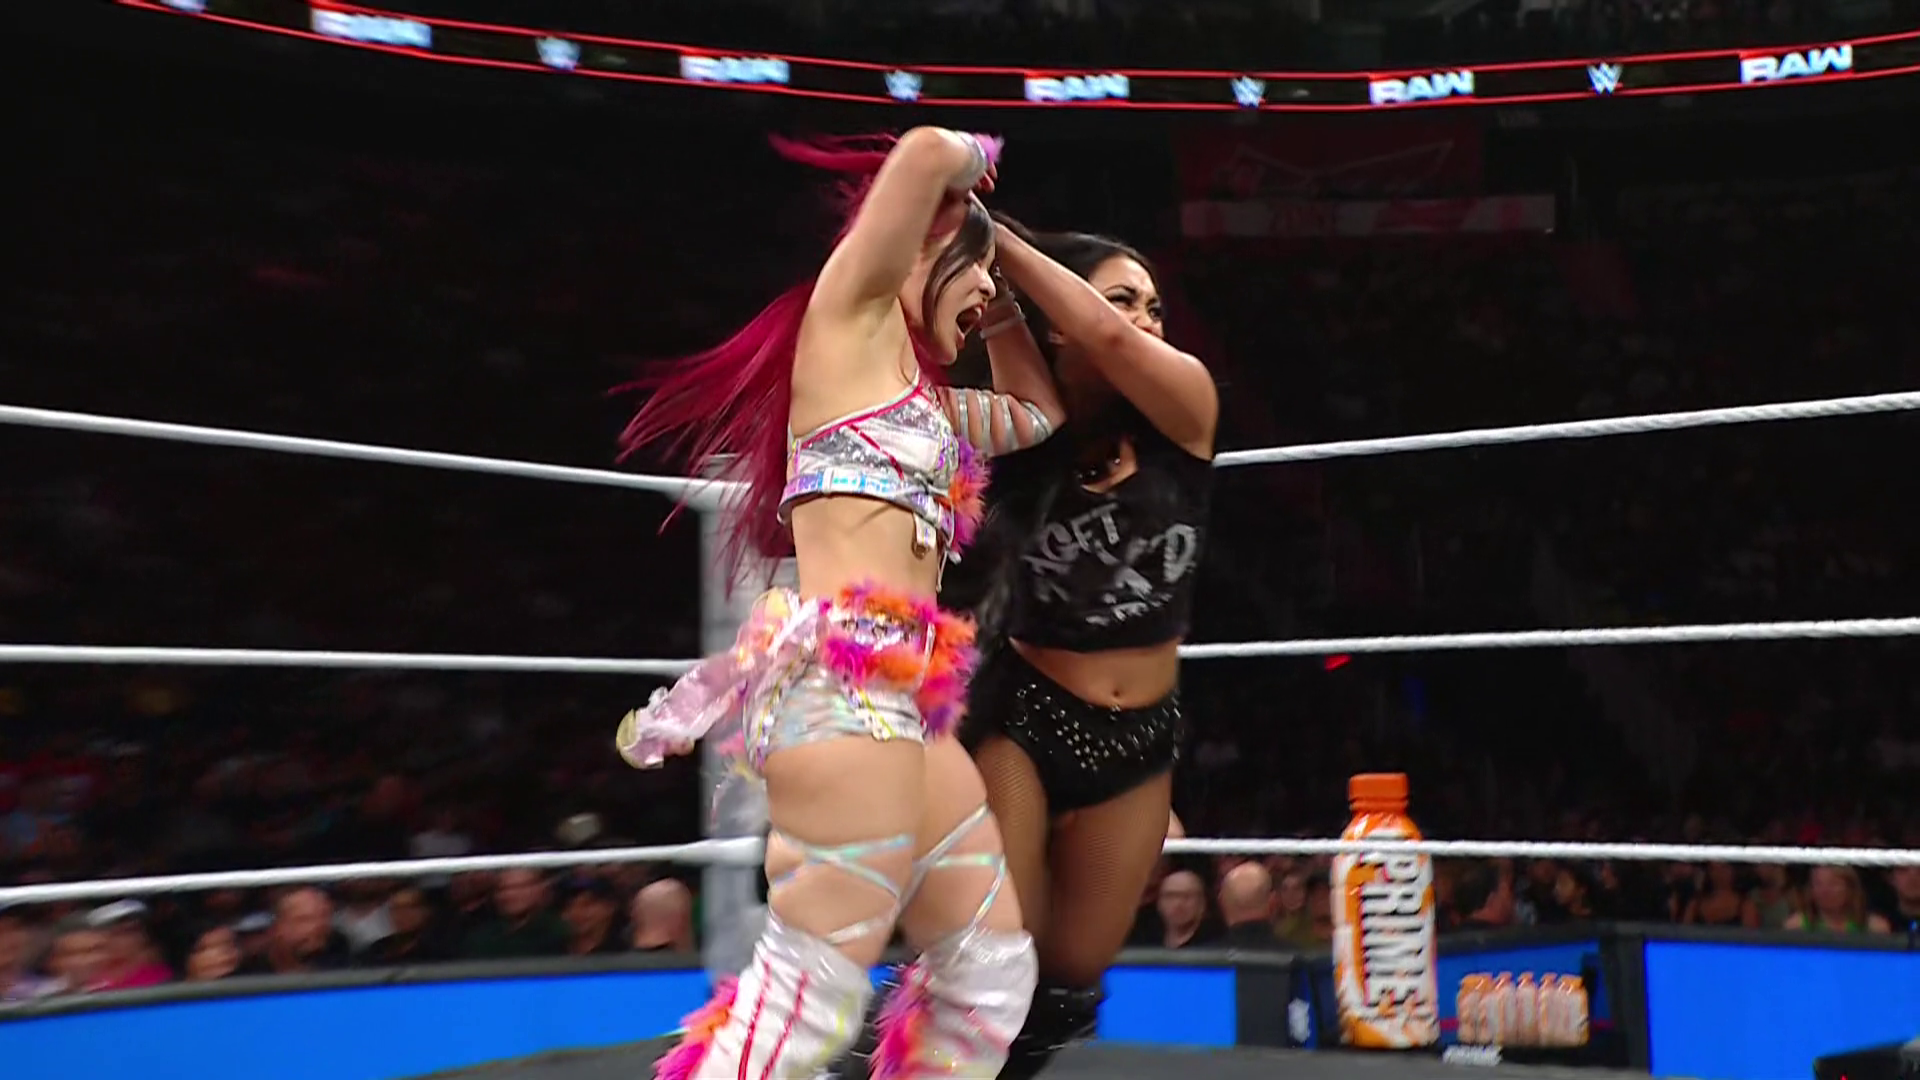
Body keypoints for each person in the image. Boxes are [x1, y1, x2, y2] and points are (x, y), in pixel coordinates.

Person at [615, 128, 1065, 1079]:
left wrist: (1001, 294)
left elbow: (1037, 414)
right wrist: (972, 163)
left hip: (911, 711)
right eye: (977, 273)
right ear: (925, 248)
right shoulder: (849, 326)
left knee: (989, 975)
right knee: (805, 1006)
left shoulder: (927, 406)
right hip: (843, 697)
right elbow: (924, 150)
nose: (987, 294)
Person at [955, 220, 1218, 1078]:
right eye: (1121, 299)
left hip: (1140, 733)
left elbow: (1107, 341)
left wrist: (998, 237)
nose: (1143, 319)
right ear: (1058, 320)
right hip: (1025, 716)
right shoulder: (1020, 426)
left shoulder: (1186, 409)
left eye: (1156, 306)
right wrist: (997, 283)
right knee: (991, 961)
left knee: (1066, 986)